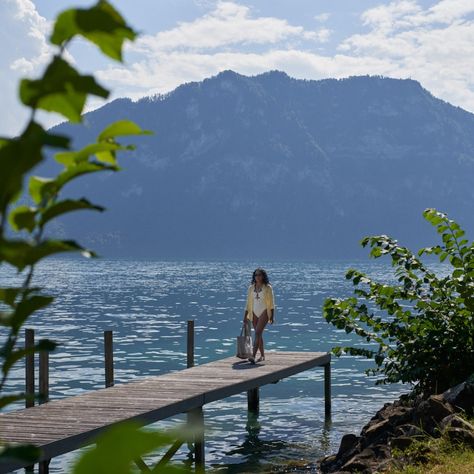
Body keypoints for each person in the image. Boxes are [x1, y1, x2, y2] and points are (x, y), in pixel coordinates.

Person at [243, 268, 275, 364]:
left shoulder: (268, 287)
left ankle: (253, 355)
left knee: (257, 333)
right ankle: (262, 355)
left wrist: (272, 316)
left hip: (264, 311)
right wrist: (245, 316)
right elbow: (248, 303)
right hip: (253, 312)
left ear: (263, 276)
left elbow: (272, 303)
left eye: (259, 275)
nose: (257, 277)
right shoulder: (251, 288)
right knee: (259, 334)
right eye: (256, 275)